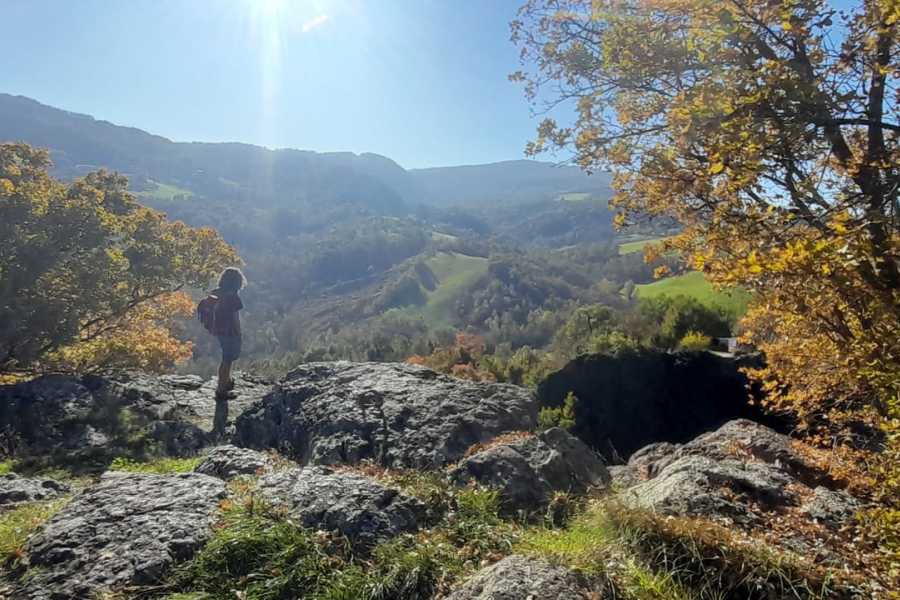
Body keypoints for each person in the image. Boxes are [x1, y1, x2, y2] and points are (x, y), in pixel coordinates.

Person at [212, 267, 245, 400]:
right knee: (228, 359)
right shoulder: (234, 298)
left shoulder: (217, 293)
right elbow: (235, 317)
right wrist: (239, 333)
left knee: (226, 357)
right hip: (230, 331)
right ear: (237, 281)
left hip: (219, 330)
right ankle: (221, 390)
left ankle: (226, 382)